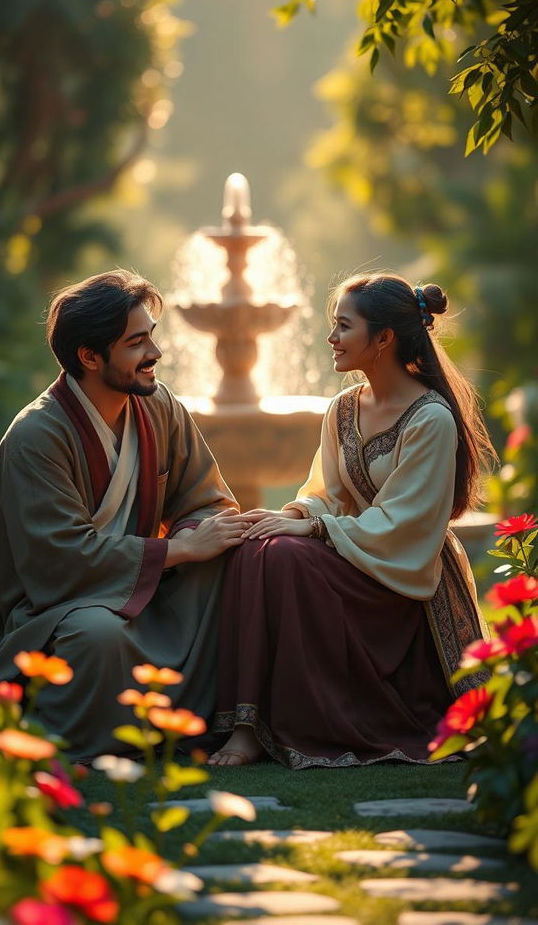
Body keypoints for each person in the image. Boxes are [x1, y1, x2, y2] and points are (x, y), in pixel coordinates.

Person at [0, 270, 248, 761]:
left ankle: (209, 727)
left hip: (139, 584)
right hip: (53, 607)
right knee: (98, 635)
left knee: (237, 566)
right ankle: (96, 750)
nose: (155, 353)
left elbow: (204, 500)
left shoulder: (159, 406)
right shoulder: (36, 437)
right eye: (137, 343)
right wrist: (177, 550)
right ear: (89, 357)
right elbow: (58, 559)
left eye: (151, 337)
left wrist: (200, 538)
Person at [209, 272, 496, 768]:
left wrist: (314, 529)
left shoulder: (431, 418)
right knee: (257, 546)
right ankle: (245, 724)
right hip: (352, 557)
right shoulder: (342, 409)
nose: (331, 338)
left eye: (343, 326)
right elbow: (328, 495)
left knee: (286, 559)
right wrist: (292, 515)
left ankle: (294, 724)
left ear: (383, 338)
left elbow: (405, 523)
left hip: (400, 579)